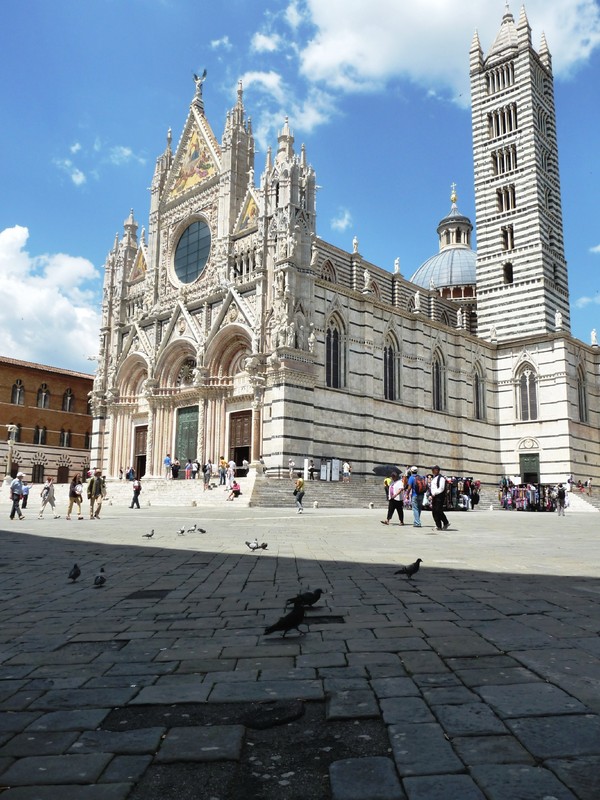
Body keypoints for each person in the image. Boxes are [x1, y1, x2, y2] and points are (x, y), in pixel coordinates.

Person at [430, 465, 450, 531]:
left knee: (438, 510)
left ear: (438, 470)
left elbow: (441, 488)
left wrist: (435, 493)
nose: (433, 471)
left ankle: (446, 522)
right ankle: (438, 525)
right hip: (434, 497)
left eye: (434, 470)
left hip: (439, 496)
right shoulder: (434, 478)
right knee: (434, 511)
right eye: (432, 470)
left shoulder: (441, 478)